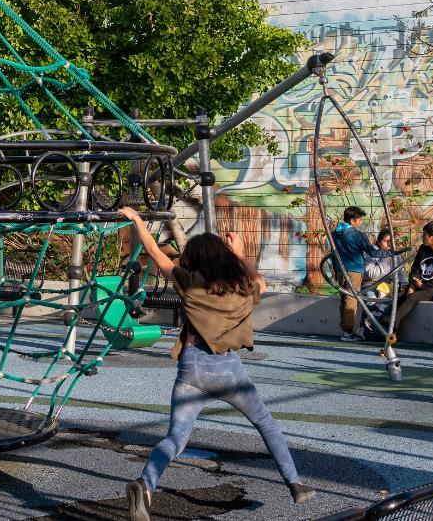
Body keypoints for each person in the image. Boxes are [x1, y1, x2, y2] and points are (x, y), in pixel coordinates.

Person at [119, 206, 312, 520]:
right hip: (230, 371)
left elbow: (154, 250)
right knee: (266, 424)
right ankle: (295, 484)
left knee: (176, 437)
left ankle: (146, 483)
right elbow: (260, 281)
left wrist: (138, 220)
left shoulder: (188, 283)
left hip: (192, 370)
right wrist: (240, 253)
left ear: (193, 260)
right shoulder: (242, 290)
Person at [331, 205, 391, 340]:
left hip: (341, 269)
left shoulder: (335, 233)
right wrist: (390, 253)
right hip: (354, 270)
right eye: (359, 220)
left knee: (345, 298)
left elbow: (333, 253)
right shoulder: (357, 234)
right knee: (351, 299)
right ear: (352, 221)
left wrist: (336, 270)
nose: (360, 223)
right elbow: (373, 252)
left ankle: (346, 329)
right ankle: (348, 332)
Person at [392, 222, 433, 327]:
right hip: (421, 285)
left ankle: (388, 323)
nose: (422, 237)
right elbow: (415, 269)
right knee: (400, 296)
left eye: (424, 235)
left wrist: (424, 286)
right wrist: (411, 286)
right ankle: (392, 332)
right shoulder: (423, 249)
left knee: (412, 297)